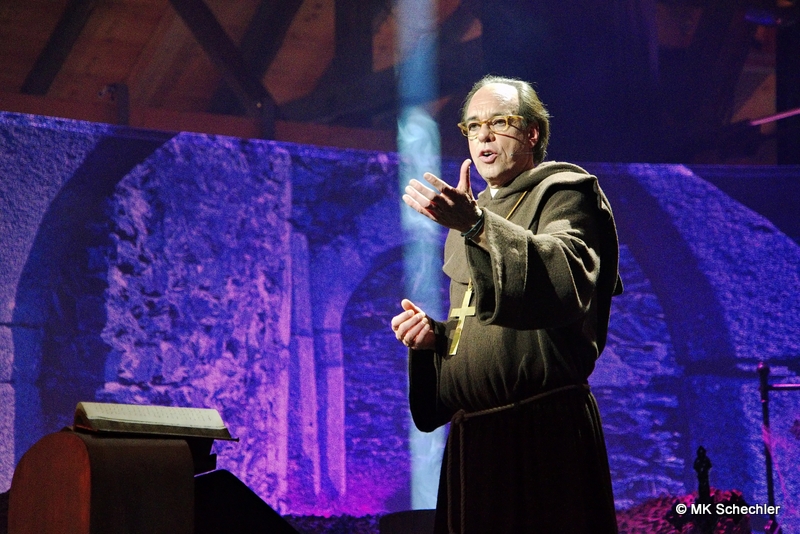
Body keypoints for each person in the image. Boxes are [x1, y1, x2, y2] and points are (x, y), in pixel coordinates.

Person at [390, 75, 623, 533]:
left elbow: (564, 281)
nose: (484, 136)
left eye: (499, 122)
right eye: (473, 126)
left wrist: (477, 226)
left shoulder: (564, 192)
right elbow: (481, 325)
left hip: (542, 434)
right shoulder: (469, 211)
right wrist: (434, 339)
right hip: (473, 443)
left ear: (532, 132)